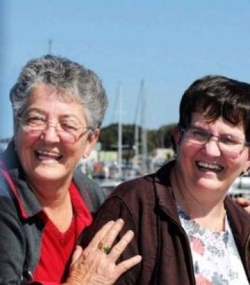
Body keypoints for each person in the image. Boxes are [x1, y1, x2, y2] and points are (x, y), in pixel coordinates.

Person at [81, 75, 250, 284]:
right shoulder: (133, 208)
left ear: (248, 158)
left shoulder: (243, 226)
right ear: (178, 138)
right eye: (199, 133)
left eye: (228, 139)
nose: (211, 150)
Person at [0, 54, 141, 285]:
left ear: (90, 141)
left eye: (67, 125)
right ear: (17, 126)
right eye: (36, 119)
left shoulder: (91, 197)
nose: (49, 136)